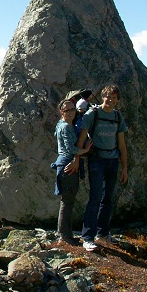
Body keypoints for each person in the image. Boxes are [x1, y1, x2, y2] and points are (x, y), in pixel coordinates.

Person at [77, 84, 128, 252]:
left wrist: (125, 168)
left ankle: (103, 233)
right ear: (103, 96)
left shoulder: (118, 117)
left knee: (108, 198)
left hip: (112, 161)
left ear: (117, 100)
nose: (111, 100)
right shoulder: (93, 114)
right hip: (96, 160)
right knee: (95, 197)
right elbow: (82, 137)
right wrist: (77, 158)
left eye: (114, 98)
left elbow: (122, 144)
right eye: (108, 97)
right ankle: (87, 237)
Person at [52, 99, 92, 244]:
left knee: (67, 201)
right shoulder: (66, 127)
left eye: (72, 109)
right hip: (68, 165)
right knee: (67, 202)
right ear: (62, 111)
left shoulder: (61, 124)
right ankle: (65, 236)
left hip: (63, 164)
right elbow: (70, 149)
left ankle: (65, 234)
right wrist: (85, 150)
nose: (70, 112)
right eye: (67, 110)